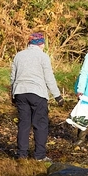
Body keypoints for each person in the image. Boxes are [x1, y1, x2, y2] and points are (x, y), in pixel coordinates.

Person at [10, 32, 63, 161]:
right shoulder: (43, 57)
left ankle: (22, 155)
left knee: (24, 124)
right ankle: (39, 156)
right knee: (40, 124)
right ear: (41, 44)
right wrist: (57, 96)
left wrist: (12, 94)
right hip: (37, 92)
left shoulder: (19, 55)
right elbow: (49, 78)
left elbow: (13, 77)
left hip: (20, 92)